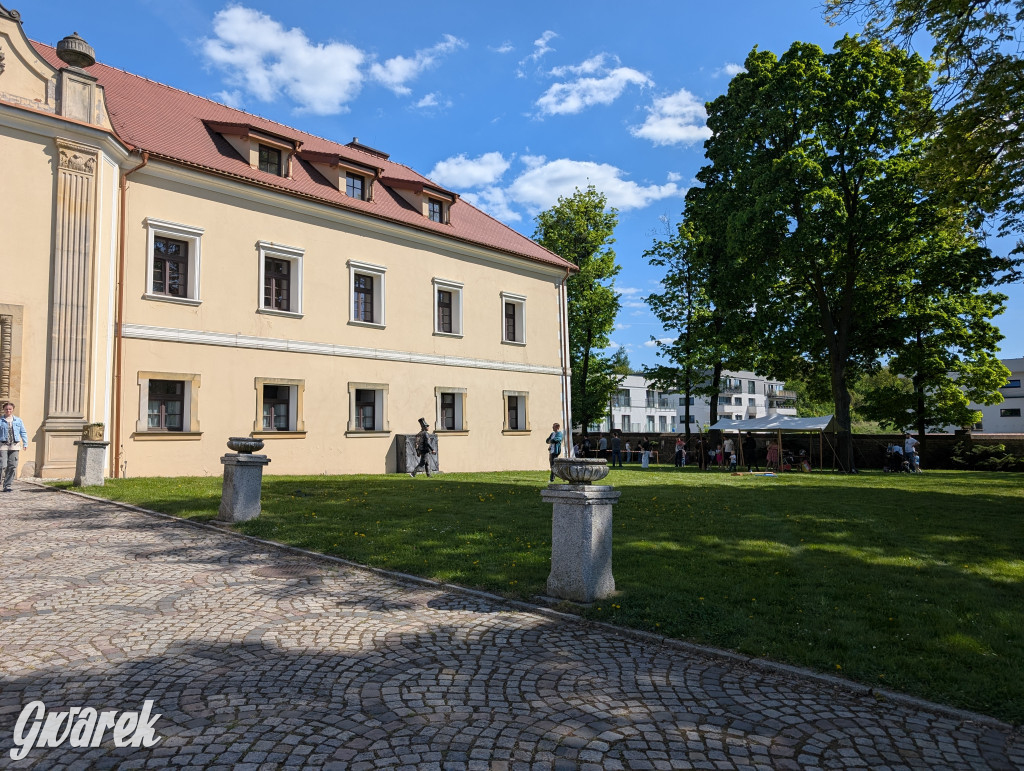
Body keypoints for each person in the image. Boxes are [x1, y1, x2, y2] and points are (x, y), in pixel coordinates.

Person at [1, 401, 28, 492]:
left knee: (12, 465)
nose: (8, 410)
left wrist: (25, 443)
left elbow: (23, 432)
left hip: (15, 445)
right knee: (2, 465)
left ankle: (7, 485)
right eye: (6, 409)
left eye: (10, 409)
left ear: (12, 410)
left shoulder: (18, 420)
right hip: (3, 445)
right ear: (3, 410)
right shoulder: (1, 420)